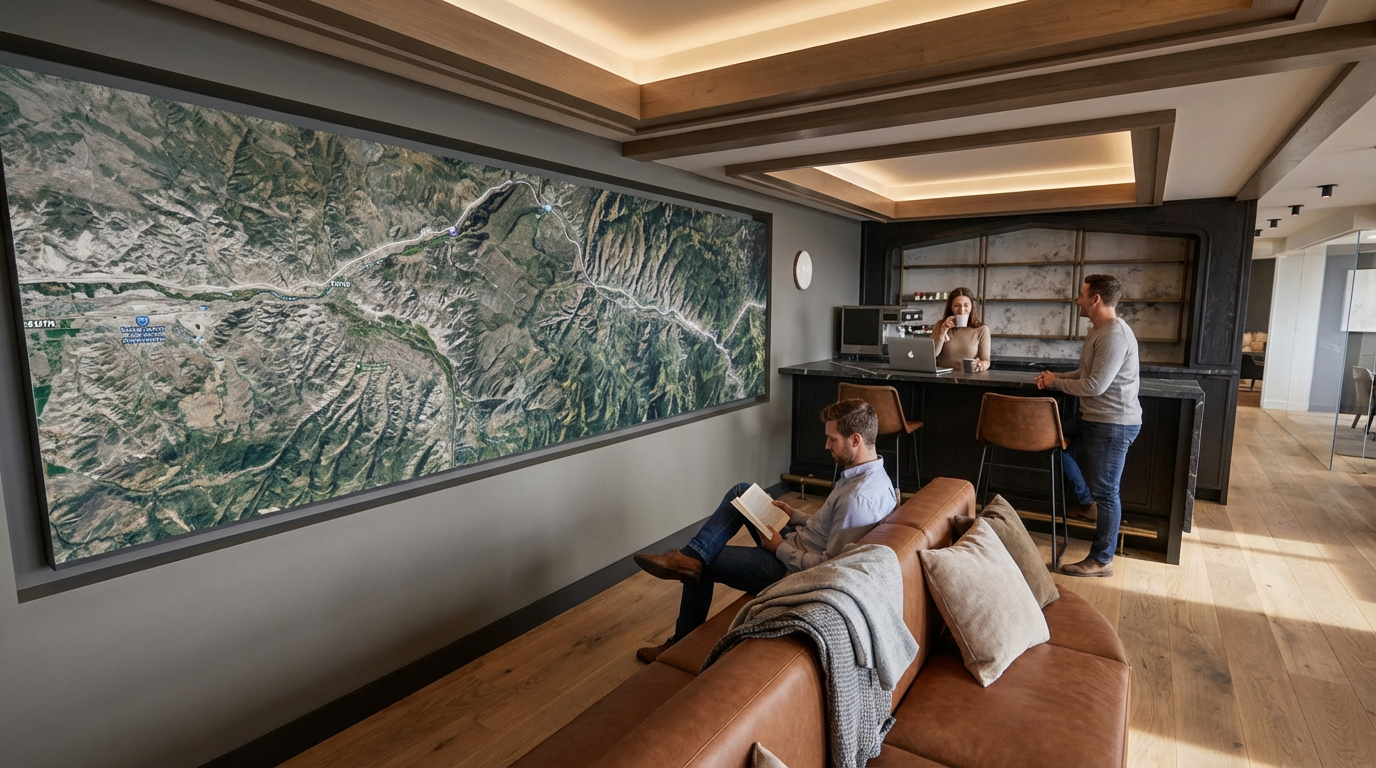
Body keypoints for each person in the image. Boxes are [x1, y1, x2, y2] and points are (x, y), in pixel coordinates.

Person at [631, 399, 897, 662]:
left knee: (704, 564)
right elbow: (827, 525)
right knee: (742, 491)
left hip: (788, 569)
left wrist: (779, 547)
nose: (826, 445)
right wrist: (794, 516)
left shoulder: (858, 499)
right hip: (792, 542)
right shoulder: (865, 474)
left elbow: (829, 568)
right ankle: (690, 556)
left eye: (832, 439)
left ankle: (680, 642)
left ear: (856, 440)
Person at [1035, 274, 1141, 578]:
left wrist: (1057, 383)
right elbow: (1085, 372)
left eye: (1082, 295)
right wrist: (1055, 377)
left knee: (1108, 493)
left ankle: (1102, 559)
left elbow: (1095, 385)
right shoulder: (1099, 330)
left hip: (1113, 425)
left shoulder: (1114, 335)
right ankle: (1084, 501)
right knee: (1052, 445)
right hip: (1093, 420)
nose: (1078, 300)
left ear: (1095, 299)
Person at [931, 287, 990, 372]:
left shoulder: (981, 330)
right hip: (943, 378)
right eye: (956, 305)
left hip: (968, 379)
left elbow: (986, 361)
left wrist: (982, 365)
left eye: (966, 305)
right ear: (951, 307)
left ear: (972, 307)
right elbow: (933, 354)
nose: (961, 310)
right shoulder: (941, 325)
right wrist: (942, 332)